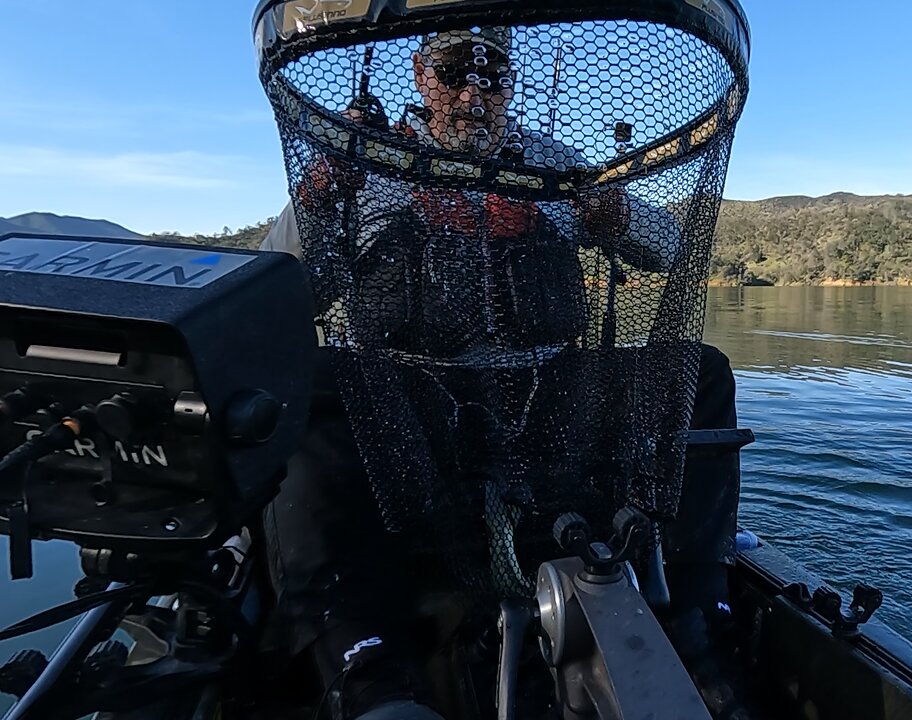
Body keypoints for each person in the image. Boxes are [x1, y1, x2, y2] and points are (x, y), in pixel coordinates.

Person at [259, 26, 743, 720]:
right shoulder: (362, 160)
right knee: (308, 381)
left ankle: (699, 616)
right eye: (455, 72)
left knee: (702, 373)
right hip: (411, 392)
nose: (473, 92)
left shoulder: (552, 165)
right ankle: (363, 661)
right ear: (423, 77)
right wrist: (322, 185)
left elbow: (666, 249)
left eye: (492, 76)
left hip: (550, 387)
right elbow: (276, 288)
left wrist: (615, 213)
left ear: (510, 87)